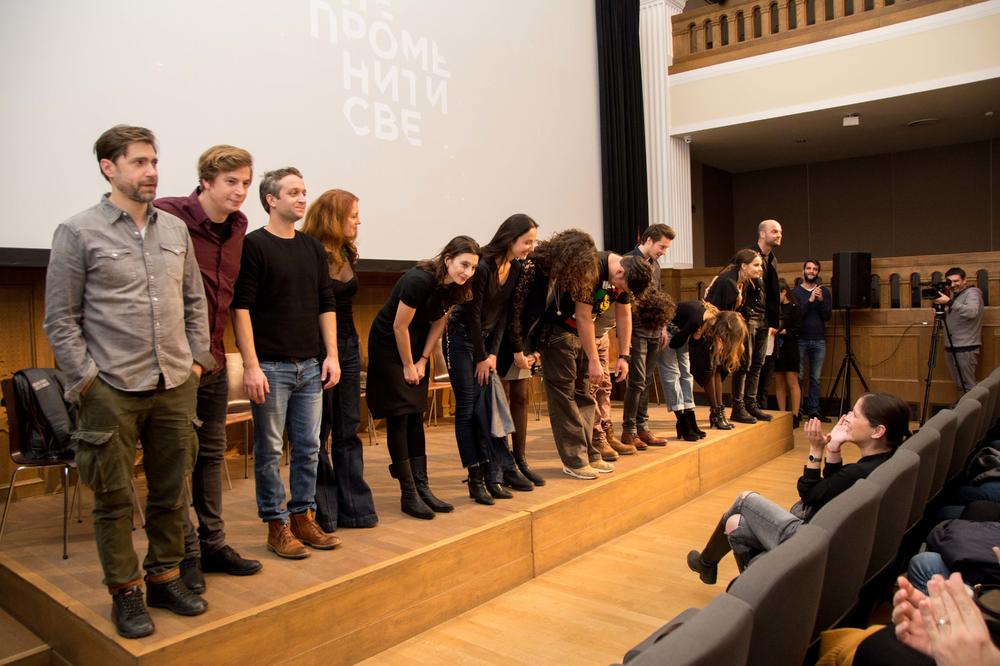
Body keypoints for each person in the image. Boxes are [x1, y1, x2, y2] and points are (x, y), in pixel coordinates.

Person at [44, 125, 214, 638]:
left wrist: (195, 363)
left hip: (174, 382)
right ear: (108, 167)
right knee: (114, 499)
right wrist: (87, 382)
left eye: (153, 161)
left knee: (171, 492)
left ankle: (164, 578)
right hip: (111, 388)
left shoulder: (175, 231)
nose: (151, 171)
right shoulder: (78, 231)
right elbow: (60, 320)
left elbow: (195, 303)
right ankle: (125, 593)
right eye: (139, 162)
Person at [153, 145, 263, 594]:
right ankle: (186, 553)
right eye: (231, 182)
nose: (240, 191)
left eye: (245, 183)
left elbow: (229, 298)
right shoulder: (167, 215)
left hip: (213, 361)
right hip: (174, 366)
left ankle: (213, 544)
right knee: (178, 460)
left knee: (212, 456)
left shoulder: (239, 227)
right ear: (206, 182)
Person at [232, 168, 342, 559]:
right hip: (271, 367)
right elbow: (241, 308)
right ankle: (275, 524)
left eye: (304, 192)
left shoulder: (311, 247)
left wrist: (331, 354)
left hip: (310, 365)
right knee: (270, 450)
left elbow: (326, 303)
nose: (302, 198)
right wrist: (251, 365)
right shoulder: (254, 246)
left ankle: (302, 517)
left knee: (309, 447)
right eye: (293, 192)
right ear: (271, 200)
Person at [687, 392, 910, 583]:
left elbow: (811, 495)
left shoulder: (859, 472)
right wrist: (833, 448)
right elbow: (832, 489)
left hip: (812, 543)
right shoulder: (885, 461)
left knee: (745, 500)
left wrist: (816, 449)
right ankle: (726, 574)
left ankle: (710, 564)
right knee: (735, 523)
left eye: (854, 414)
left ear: (877, 431)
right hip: (827, 536)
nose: (846, 418)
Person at [367, 236, 480, 519]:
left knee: (415, 415)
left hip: (416, 345)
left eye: (473, 267)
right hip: (389, 345)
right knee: (400, 415)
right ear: (448, 259)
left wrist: (423, 360)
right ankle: (408, 494)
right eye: (464, 264)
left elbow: (439, 322)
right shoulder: (418, 280)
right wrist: (408, 364)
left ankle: (423, 487)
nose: (467, 272)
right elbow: (398, 326)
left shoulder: (456, 287)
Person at [445, 215, 537, 505]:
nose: (531, 247)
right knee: (467, 409)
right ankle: (475, 479)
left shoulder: (516, 268)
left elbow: (504, 315)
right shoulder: (483, 265)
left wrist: (493, 353)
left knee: (484, 409)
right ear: (511, 238)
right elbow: (472, 314)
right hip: (461, 338)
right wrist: (481, 356)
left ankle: (491, 474)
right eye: (527, 242)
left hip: (486, 345)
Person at [300, 189, 378, 531]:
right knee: (318, 432)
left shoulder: (347, 251)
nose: (359, 221)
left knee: (348, 428)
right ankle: (325, 509)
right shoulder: (309, 252)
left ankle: (355, 508)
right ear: (334, 217)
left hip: (347, 346)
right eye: (353, 215)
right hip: (317, 350)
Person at [502, 230, 601, 484]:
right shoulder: (533, 267)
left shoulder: (560, 276)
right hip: (506, 339)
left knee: (520, 398)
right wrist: (517, 349)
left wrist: (536, 350)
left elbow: (548, 317)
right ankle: (501, 463)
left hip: (528, 342)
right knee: (502, 399)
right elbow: (515, 311)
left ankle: (519, 460)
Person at [620, 224, 675, 449]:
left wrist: (663, 327)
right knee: (636, 382)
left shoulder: (656, 265)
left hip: (654, 329)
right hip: (636, 330)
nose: (664, 251)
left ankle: (642, 428)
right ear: (649, 240)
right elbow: (624, 303)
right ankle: (629, 431)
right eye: (662, 246)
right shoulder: (627, 261)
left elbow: (658, 296)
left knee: (646, 381)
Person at [703, 249, 762, 429]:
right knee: (714, 370)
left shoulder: (743, 282)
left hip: (723, 331)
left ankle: (718, 412)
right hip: (712, 330)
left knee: (720, 371)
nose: (760, 269)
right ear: (743, 266)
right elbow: (716, 312)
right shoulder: (727, 282)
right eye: (756, 265)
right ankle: (717, 413)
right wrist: (719, 339)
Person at [731, 219, 782, 424]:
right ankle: (738, 407)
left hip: (764, 317)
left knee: (758, 363)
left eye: (780, 232)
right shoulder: (747, 255)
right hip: (748, 316)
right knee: (745, 363)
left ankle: (751, 404)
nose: (779, 235)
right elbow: (731, 279)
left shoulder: (772, 259)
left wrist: (773, 320)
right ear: (762, 234)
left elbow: (772, 292)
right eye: (774, 231)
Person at [677, 301, 747, 436]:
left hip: (692, 337)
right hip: (679, 336)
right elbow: (693, 343)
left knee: (717, 369)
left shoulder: (716, 321)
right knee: (709, 370)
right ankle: (715, 413)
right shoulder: (708, 321)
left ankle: (719, 411)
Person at [793, 259, 832, 422]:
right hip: (800, 339)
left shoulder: (824, 292)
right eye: (808, 268)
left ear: (818, 272)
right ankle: (798, 410)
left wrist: (821, 300)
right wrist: (809, 301)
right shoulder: (795, 292)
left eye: (815, 269)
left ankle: (814, 411)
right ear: (803, 271)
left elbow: (827, 316)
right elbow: (796, 317)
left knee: (816, 378)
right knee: (799, 377)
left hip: (818, 340)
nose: (811, 271)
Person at [936, 267, 984, 395]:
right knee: (958, 384)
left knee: (968, 384)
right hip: (951, 345)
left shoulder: (973, 293)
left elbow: (972, 312)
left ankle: (972, 407)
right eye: (949, 282)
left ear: (964, 280)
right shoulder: (953, 295)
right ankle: (962, 406)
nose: (953, 285)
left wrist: (950, 302)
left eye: (956, 281)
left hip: (966, 346)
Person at [773, 278, 803, 428]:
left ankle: (795, 415)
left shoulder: (794, 307)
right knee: (779, 382)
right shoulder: (774, 308)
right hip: (777, 348)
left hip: (790, 347)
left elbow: (799, 329)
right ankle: (782, 414)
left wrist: (786, 331)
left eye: (776, 294)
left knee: (792, 382)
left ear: (784, 292)